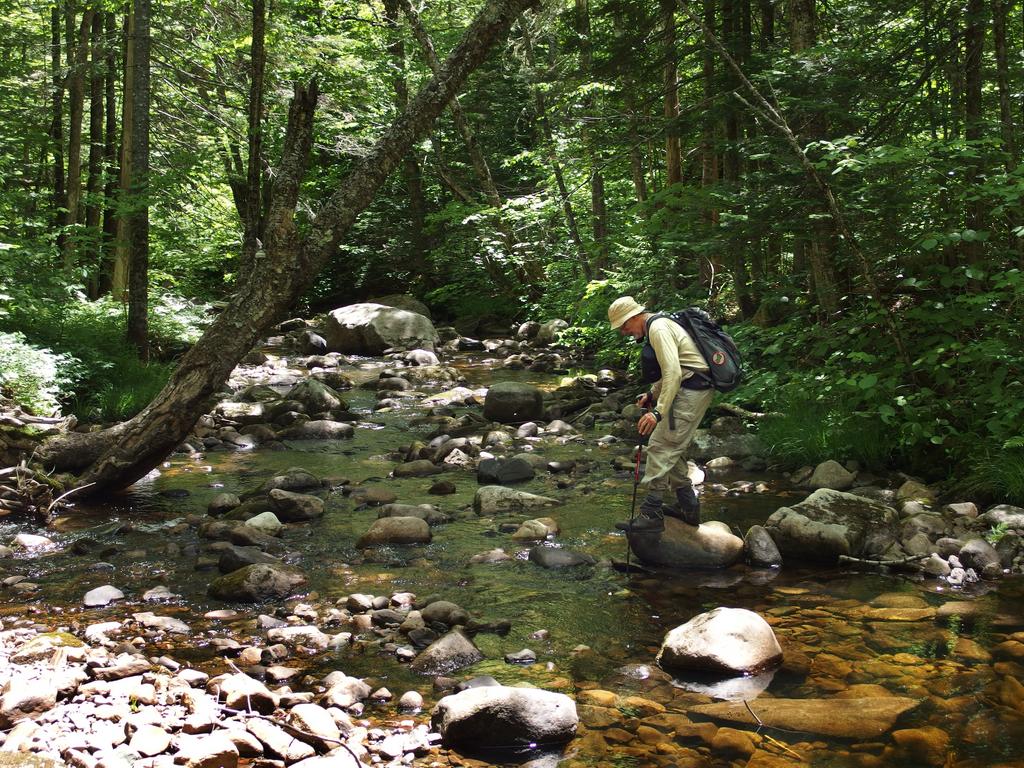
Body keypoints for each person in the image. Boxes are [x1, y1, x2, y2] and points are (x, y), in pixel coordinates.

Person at [607, 296, 715, 533]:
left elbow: (674, 373)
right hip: (688, 388)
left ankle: (651, 512)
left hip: (691, 391)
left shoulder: (658, 328)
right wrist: (652, 394)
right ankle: (689, 508)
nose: (624, 332)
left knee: (659, 446)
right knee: (672, 450)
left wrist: (657, 412)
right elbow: (677, 368)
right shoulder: (658, 325)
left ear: (635, 316)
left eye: (624, 326)